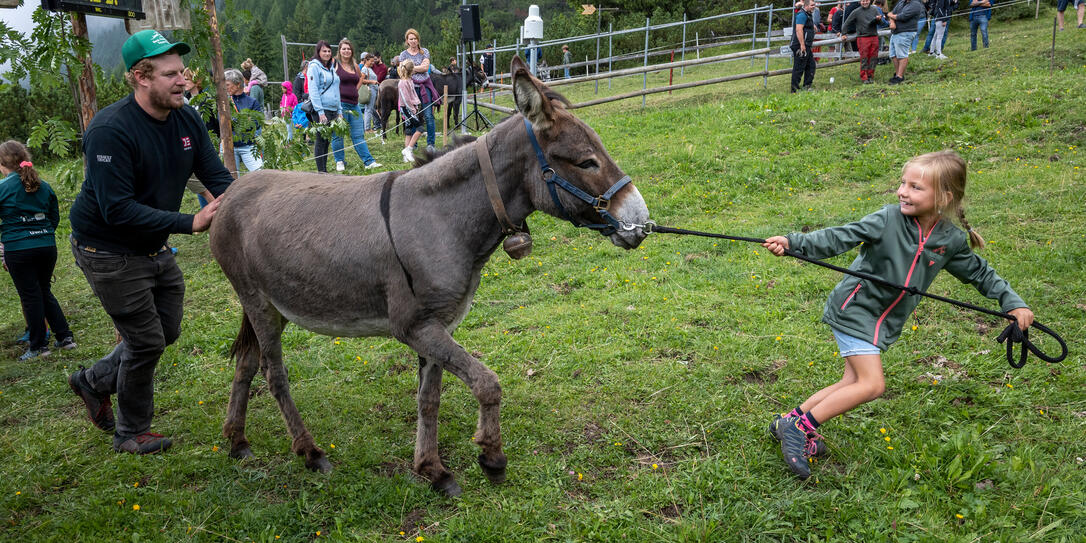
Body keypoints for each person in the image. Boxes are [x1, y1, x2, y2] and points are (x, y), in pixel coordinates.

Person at [762, 150, 1034, 481]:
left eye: (915, 187)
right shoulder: (888, 219)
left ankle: (787, 421)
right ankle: (800, 430)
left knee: (853, 382)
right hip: (855, 308)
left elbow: (980, 273)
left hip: (882, 320)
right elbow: (839, 236)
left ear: (944, 197)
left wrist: (1012, 302)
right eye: (903, 183)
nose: (903, 191)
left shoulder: (949, 239)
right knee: (872, 384)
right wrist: (793, 243)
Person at [66, 30, 233, 455]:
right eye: (170, 74)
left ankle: (92, 382)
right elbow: (115, 209)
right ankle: (130, 432)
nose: (183, 81)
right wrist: (189, 221)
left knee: (167, 330)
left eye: (183, 71)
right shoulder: (110, 130)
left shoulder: (185, 118)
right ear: (141, 77)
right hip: (107, 250)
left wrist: (251, 210)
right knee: (145, 341)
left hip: (152, 247)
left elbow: (215, 176)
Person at [0, 140, 76, 361]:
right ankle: (65, 337)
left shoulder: (4, 188)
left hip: (19, 248)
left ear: (3, 163)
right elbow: (54, 216)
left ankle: (38, 346)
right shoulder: (43, 185)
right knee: (43, 291)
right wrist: (42, 233)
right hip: (46, 246)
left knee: (30, 296)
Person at [329, 38, 380, 172]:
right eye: (344, 48)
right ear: (339, 50)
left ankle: (369, 161)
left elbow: (360, 79)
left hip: (354, 104)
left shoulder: (355, 65)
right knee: (338, 134)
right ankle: (339, 161)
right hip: (339, 105)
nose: (346, 51)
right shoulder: (334, 64)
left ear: (352, 51)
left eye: (348, 49)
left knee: (358, 135)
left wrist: (354, 90)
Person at [399, 28, 440, 153]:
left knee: (428, 115)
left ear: (418, 39)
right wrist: (418, 68)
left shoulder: (424, 52)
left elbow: (426, 67)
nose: (413, 41)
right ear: (407, 41)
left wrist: (410, 68)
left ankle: (431, 144)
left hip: (424, 86)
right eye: (410, 39)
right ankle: (412, 145)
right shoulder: (403, 54)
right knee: (412, 116)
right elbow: (401, 70)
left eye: (415, 38)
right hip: (410, 87)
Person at [306, 40, 342, 173]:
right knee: (321, 140)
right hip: (321, 110)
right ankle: (321, 171)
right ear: (318, 52)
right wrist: (320, 112)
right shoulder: (314, 67)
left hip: (333, 109)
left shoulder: (331, 67)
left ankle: (324, 169)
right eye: (324, 51)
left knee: (327, 140)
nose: (327, 53)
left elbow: (336, 89)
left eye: (328, 51)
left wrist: (339, 110)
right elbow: (313, 89)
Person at [218, 68, 263, 173]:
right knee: (230, 179)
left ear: (238, 84)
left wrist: (234, 121)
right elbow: (221, 122)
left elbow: (256, 123)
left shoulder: (252, 102)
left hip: (248, 146)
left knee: (260, 173)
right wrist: (244, 120)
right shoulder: (225, 102)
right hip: (228, 147)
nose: (225, 87)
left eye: (227, 84)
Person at [841, 0, 885, 83]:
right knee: (864, 57)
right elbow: (846, 23)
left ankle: (870, 75)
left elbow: (881, 23)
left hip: (874, 36)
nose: (865, 2)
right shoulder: (856, 12)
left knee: (873, 57)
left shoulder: (874, 9)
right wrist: (844, 33)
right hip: (862, 37)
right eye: (863, 1)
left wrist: (878, 19)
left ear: (870, 1)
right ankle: (864, 77)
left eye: (867, 0)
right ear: (860, 2)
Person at [886, 0, 924, 84]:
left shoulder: (915, 4)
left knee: (902, 55)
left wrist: (891, 16)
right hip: (896, 32)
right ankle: (898, 75)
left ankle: (899, 77)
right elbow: (891, 13)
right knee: (893, 54)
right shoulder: (902, 2)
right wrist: (892, 22)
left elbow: (902, 17)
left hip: (906, 32)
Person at [397, 60, 423, 163]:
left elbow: (413, 95)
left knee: (408, 130)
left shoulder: (409, 80)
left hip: (411, 107)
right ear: (411, 70)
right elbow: (406, 98)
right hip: (407, 109)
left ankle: (406, 156)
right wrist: (412, 109)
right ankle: (408, 149)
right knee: (420, 128)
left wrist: (417, 104)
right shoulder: (403, 82)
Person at [790, 0, 818, 93]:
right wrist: (802, 45)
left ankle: (807, 86)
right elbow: (799, 30)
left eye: (814, 5)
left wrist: (812, 26)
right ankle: (794, 89)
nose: (814, 6)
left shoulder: (807, 15)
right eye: (812, 5)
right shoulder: (802, 15)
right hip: (800, 45)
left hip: (806, 45)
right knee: (799, 67)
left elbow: (805, 26)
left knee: (811, 65)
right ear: (806, 6)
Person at [360, 53, 381, 132]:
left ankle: (376, 123)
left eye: (373, 61)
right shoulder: (364, 69)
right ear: (366, 60)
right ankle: (367, 128)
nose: (373, 63)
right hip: (370, 90)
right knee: (368, 109)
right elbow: (362, 80)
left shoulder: (370, 69)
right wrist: (372, 81)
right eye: (371, 61)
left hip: (374, 90)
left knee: (371, 108)